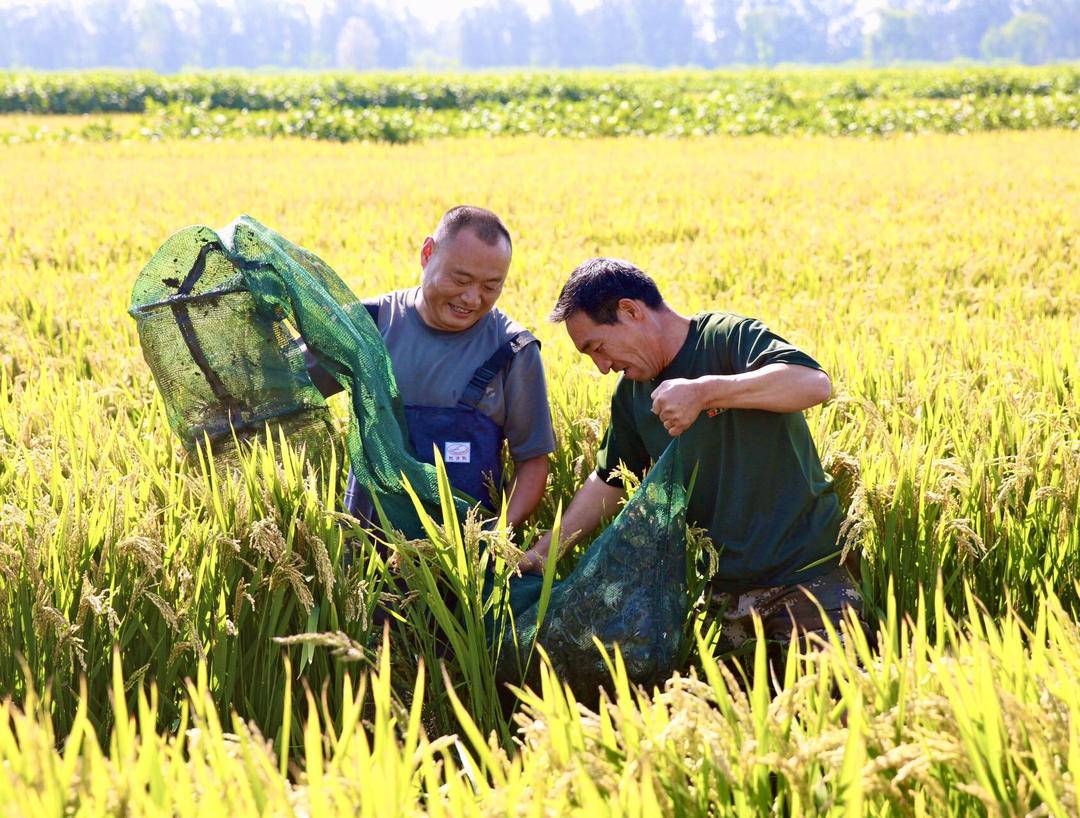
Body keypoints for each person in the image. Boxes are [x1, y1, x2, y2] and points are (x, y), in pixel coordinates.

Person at [518, 257, 862, 652]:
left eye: (598, 347)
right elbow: (610, 479)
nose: (602, 367)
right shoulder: (632, 393)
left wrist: (704, 392)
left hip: (807, 581)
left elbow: (813, 384)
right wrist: (547, 550)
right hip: (722, 600)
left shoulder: (725, 337)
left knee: (827, 706)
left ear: (630, 311)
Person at [308, 205, 555, 529]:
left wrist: (492, 538)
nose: (471, 298)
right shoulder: (368, 326)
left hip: (462, 555)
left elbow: (533, 463)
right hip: (368, 552)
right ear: (427, 254)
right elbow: (281, 387)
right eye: (461, 279)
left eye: (490, 287)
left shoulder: (513, 350)